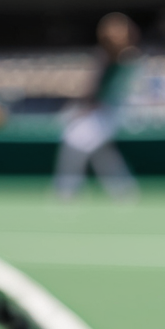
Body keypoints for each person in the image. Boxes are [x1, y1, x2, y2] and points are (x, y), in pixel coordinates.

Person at [53, 13, 140, 200]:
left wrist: (86, 109)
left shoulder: (127, 58)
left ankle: (66, 190)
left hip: (111, 113)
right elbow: (93, 90)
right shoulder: (104, 57)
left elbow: (108, 93)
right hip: (100, 113)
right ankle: (124, 190)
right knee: (99, 151)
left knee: (75, 141)